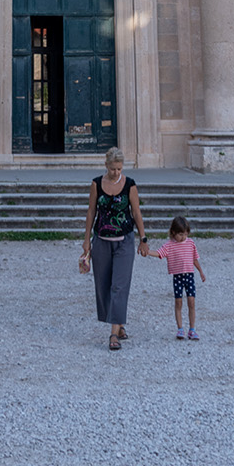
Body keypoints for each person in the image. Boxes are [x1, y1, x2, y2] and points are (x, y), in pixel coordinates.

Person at [81, 147, 149, 350]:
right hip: (101, 241)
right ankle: (118, 325)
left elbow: (136, 212)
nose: (116, 173)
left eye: (119, 169)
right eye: (112, 169)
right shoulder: (96, 184)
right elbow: (91, 211)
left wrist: (143, 238)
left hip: (124, 241)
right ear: (106, 166)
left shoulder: (129, 185)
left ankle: (113, 334)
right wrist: (86, 241)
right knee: (103, 286)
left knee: (119, 285)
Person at [153, 214, 206, 340]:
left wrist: (201, 272)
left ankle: (192, 329)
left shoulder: (191, 243)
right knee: (178, 302)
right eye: (180, 234)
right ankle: (180, 328)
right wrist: (147, 252)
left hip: (189, 276)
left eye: (185, 234)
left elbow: (194, 259)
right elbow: (159, 253)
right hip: (177, 277)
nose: (183, 237)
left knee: (191, 302)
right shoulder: (169, 245)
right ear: (173, 232)